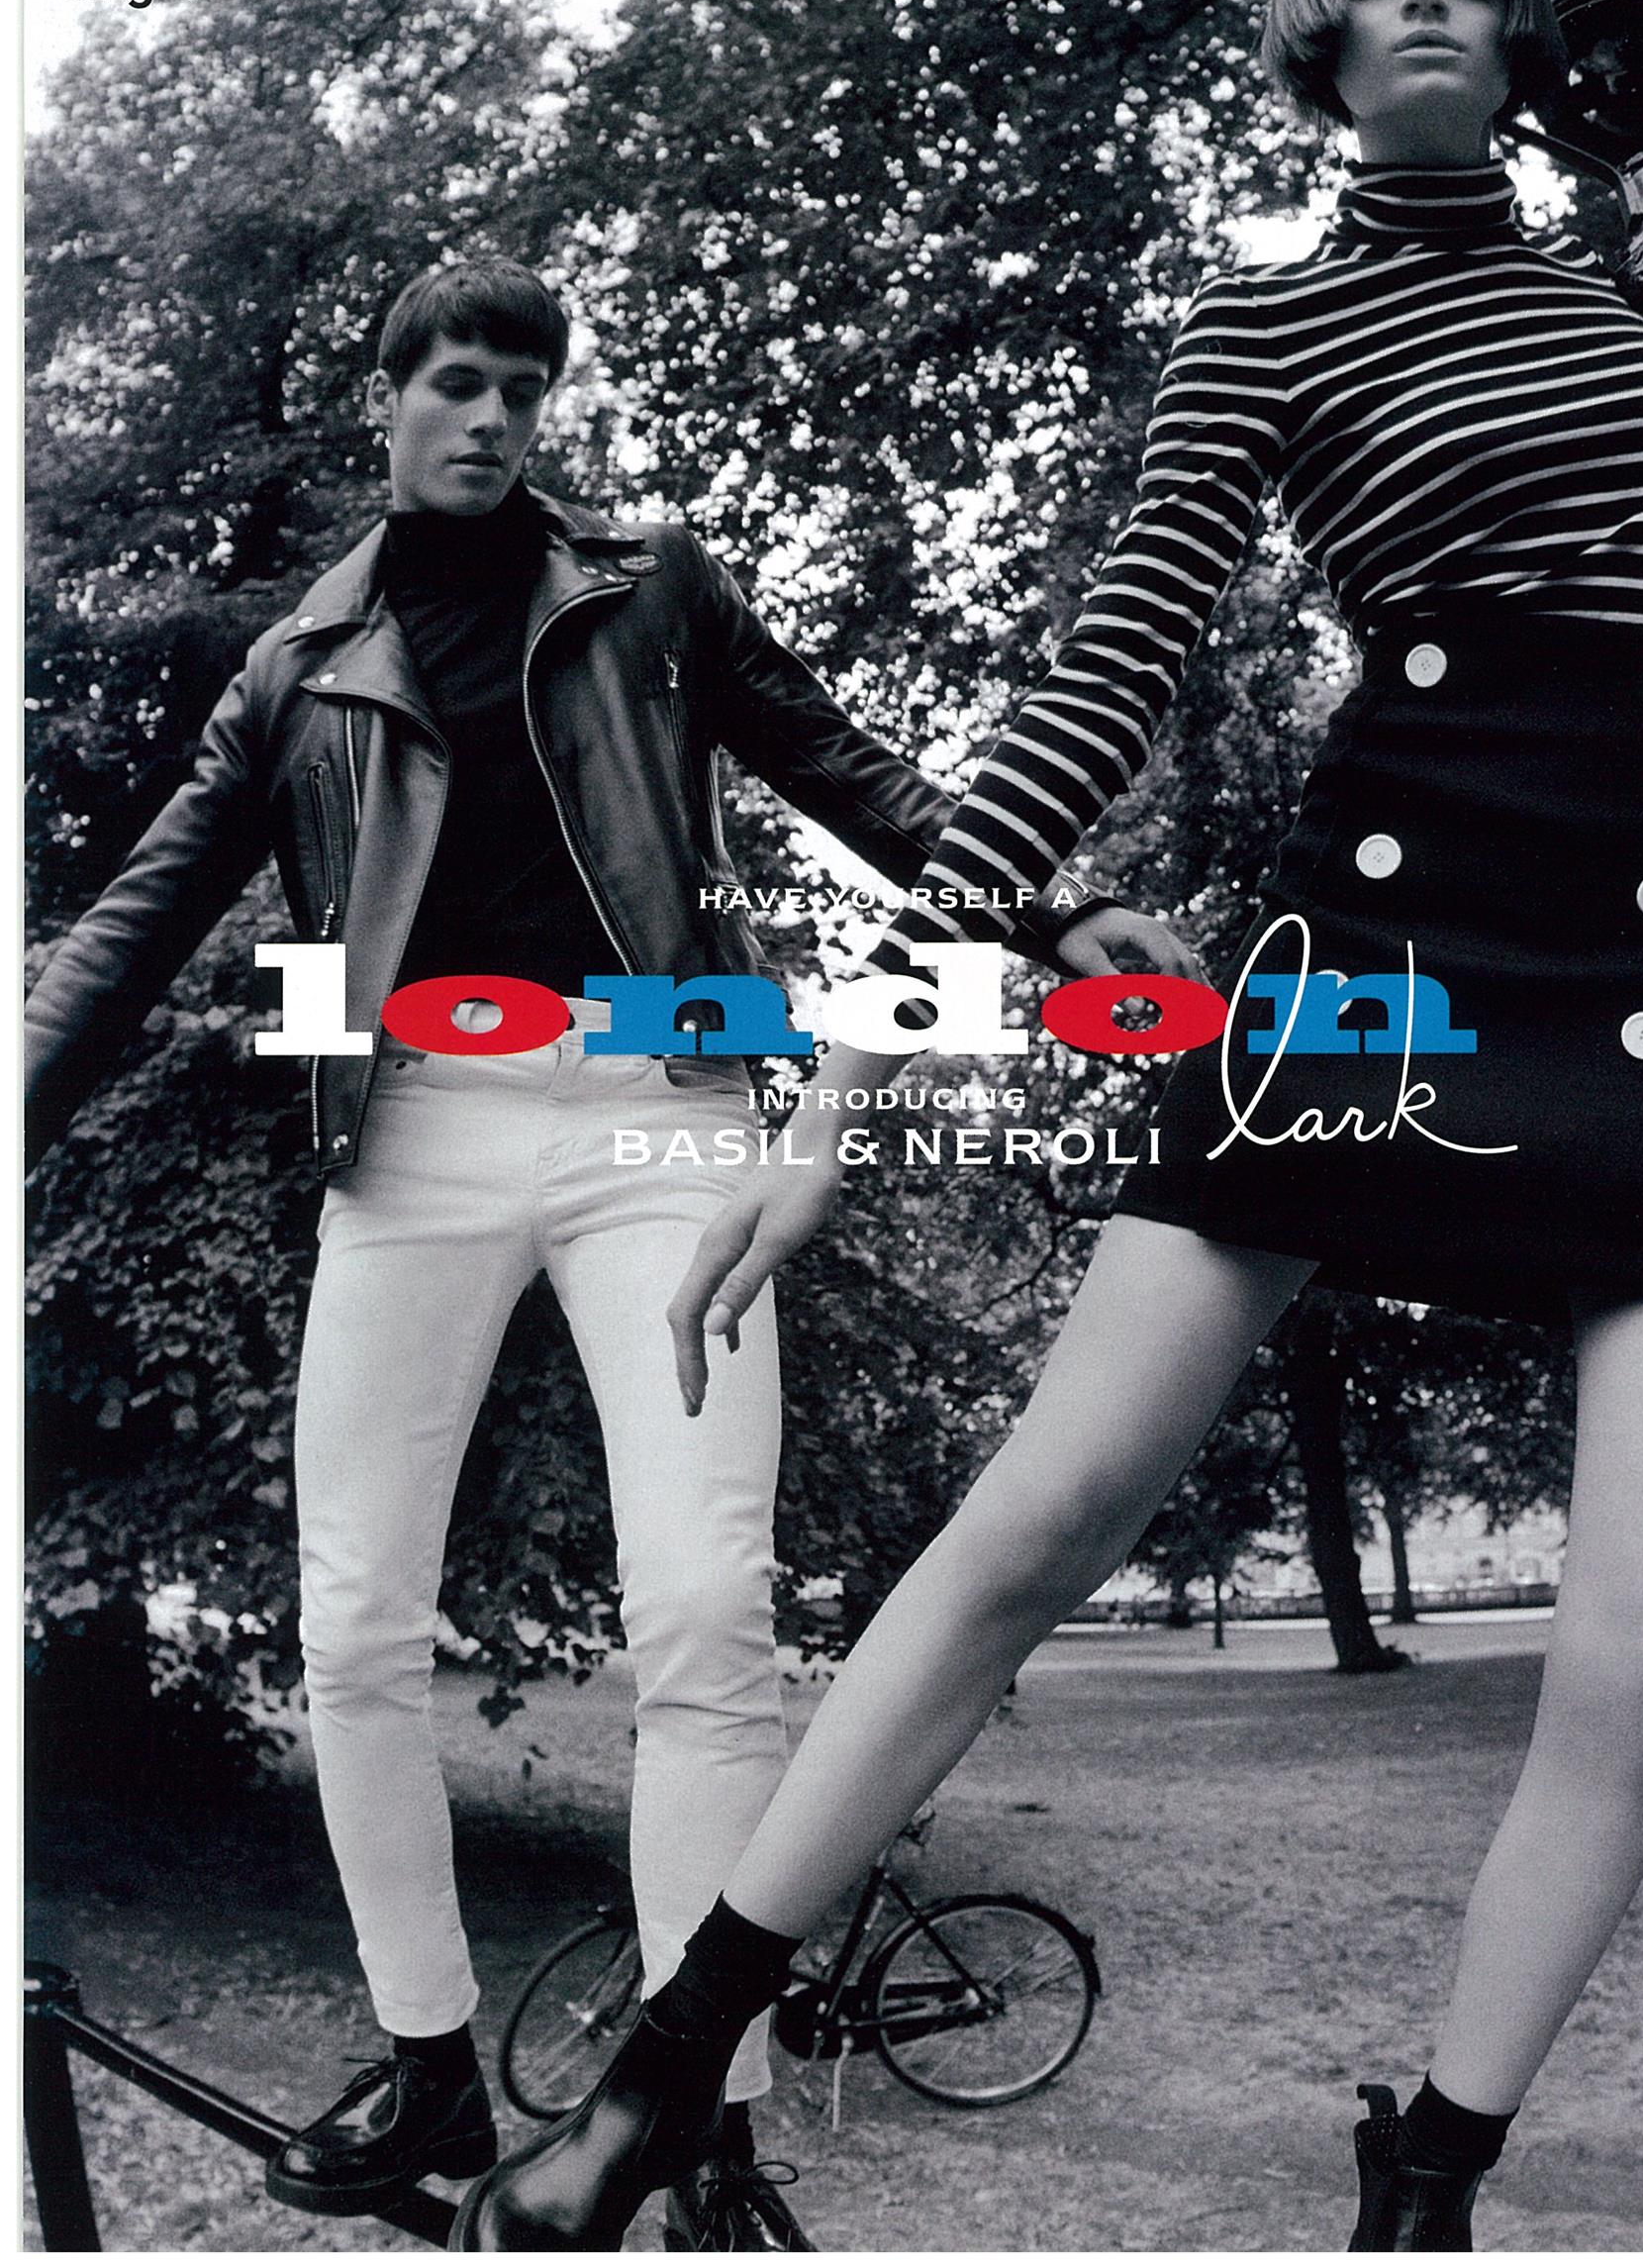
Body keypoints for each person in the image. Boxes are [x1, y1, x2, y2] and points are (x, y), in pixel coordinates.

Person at [448, 0, 1643, 2254]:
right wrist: (849, 1082)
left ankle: (1427, 2182)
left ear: (1527, 41)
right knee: (1043, 1513)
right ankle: (660, 2077)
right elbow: (1103, 679)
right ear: (1318, 41)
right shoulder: (1266, 321)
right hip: (1396, 951)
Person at [23, 257, 1184, 2247]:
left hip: (666, 1111)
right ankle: (425, 2063)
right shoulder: (297, 668)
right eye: (457, 383)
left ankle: (701, 2133)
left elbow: (852, 771)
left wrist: (1050, 908)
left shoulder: (654, 590)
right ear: (388, 401)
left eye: (522, 388)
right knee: (352, 1624)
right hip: (414, 1132)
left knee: (706, 1619)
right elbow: (132, 921)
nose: (491, 417)